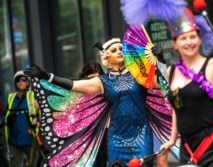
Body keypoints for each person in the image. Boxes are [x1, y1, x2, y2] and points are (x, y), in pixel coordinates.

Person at [24, 38, 173, 167]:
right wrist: (47, 76)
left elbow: (164, 84)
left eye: (121, 48)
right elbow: (74, 85)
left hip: (142, 134)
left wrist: (160, 60)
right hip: (116, 138)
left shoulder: (140, 74)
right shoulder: (103, 82)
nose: (119, 51)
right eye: (114, 50)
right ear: (107, 58)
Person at [156, 7, 213, 167]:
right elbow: (177, 107)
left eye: (193, 37)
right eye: (183, 38)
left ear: (199, 40)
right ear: (175, 44)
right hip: (189, 150)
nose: (189, 42)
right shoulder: (170, 72)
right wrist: (172, 140)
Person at [0, 71, 41, 167]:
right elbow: (5, 116)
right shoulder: (11, 98)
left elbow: (41, 114)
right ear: (15, 83)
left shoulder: (32, 95)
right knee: (13, 165)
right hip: (14, 139)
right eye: (18, 80)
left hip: (30, 138)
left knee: (34, 165)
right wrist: (3, 120)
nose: (21, 82)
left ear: (28, 82)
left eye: (24, 80)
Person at [78, 60, 107, 167]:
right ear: (84, 78)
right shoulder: (79, 93)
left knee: (103, 161)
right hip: (86, 134)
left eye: (97, 78)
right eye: (90, 79)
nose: (93, 82)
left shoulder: (107, 90)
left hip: (105, 132)